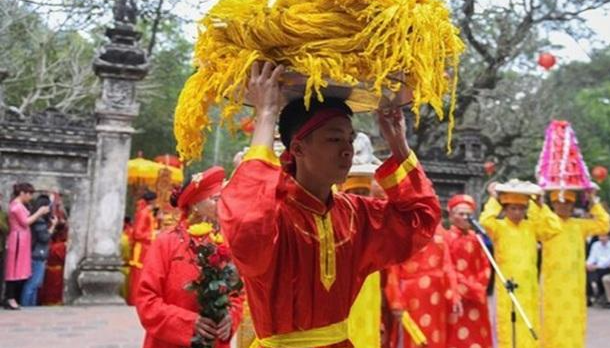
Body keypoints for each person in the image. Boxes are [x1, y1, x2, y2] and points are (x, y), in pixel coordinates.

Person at [218, 62, 441, 348]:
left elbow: (421, 221)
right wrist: (266, 116)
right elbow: (247, 229)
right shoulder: (276, 214)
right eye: (334, 139)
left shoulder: (356, 215)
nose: (347, 149)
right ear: (297, 149)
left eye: (349, 138)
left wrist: (399, 144)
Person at [136, 166, 244, 348]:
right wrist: (189, 323)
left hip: (214, 341)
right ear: (195, 203)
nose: (222, 204)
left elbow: (237, 295)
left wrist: (230, 318)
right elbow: (147, 300)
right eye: (215, 199)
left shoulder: (224, 243)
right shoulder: (166, 242)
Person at [480, 180, 562, 348]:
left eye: (521, 208)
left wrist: (540, 205)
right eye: (513, 208)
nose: (517, 212)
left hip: (529, 286)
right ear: (505, 209)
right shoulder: (499, 227)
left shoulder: (532, 227)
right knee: (507, 323)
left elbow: (554, 228)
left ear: (526, 209)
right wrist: (494, 199)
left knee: (529, 322)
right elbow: (485, 221)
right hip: (507, 286)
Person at [540, 188, 610, 348]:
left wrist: (593, 201)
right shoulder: (546, 224)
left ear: (573, 205)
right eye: (558, 202)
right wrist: (539, 203)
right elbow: (535, 221)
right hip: (553, 284)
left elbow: (604, 225)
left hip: (574, 285)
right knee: (552, 320)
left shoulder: (580, 226)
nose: (563, 206)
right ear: (552, 204)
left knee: (573, 320)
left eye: (567, 202)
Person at [343, 133, 384, 348]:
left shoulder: (376, 220)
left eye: (364, 192)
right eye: (354, 192)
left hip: (370, 291)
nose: (360, 197)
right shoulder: (336, 214)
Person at [445, 194, 494, 348]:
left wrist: (479, 286)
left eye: (469, 214)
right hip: (455, 296)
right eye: (461, 214)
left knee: (478, 335)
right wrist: (466, 287)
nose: (466, 217)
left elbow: (486, 265)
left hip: (477, 296)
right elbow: (447, 267)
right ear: (452, 216)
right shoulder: (446, 238)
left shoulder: (477, 238)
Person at [3, 183, 49, 310]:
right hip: (18, 238)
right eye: (29, 194)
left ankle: (12, 297)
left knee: (18, 269)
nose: (30, 197)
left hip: (22, 238)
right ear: (22, 193)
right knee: (13, 269)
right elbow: (26, 222)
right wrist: (39, 212)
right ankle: (10, 298)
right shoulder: (16, 207)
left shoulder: (19, 205)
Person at [21, 194, 58, 306]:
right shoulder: (39, 221)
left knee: (34, 284)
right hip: (37, 254)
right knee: (33, 284)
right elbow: (44, 238)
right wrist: (52, 226)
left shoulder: (35, 218)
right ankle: (27, 306)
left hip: (34, 253)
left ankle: (31, 307)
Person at [128, 191, 158, 306]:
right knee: (138, 273)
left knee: (143, 273)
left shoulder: (148, 212)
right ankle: (135, 299)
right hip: (141, 247)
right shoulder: (144, 213)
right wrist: (152, 236)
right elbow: (138, 234)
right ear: (153, 201)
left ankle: (138, 299)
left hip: (146, 247)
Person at [585, 233, 610, 305]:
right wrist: (588, 265)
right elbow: (592, 257)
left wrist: (596, 266)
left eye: (603, 236)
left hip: (608, 268)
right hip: (596, 267)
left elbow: (609, 261)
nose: (601, 238)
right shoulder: (595, 245)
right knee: (585, 272)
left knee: (600, 272)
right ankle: (589, 296)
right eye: (600, 236)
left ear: (608, 237)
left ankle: (602, 294)